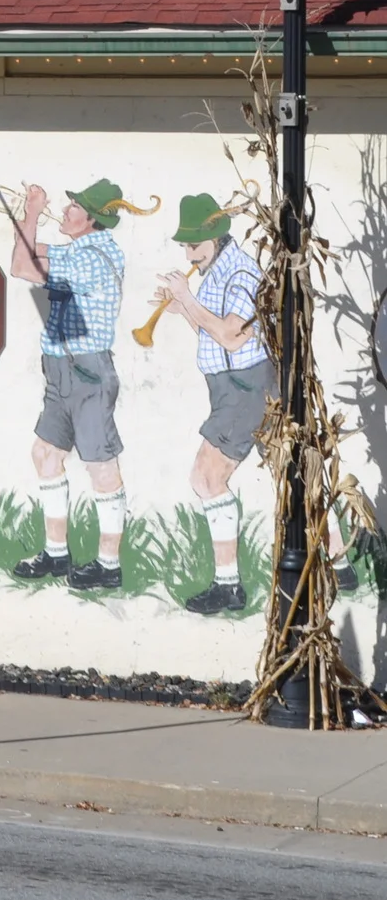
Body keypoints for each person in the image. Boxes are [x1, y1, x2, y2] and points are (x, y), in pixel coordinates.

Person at [10, 178, 148, 590]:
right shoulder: (77, 250)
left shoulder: (93, 257)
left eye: (75, 207)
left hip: (86, 372)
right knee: (45, 454)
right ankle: (56, 553)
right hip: (61, 369)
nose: (66, 210)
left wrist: (33, 213)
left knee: (100, 465)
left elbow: (21, 266)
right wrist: (27, 218)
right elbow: (24, 252)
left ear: (92, 220)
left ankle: (109, 565)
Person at [155, 194, 275, 614]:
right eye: (186, 246)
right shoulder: (218, 271)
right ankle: (341, 565)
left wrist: (188, 299)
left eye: (195, 245)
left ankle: (229, 586)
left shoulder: (240, 273)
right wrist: (182, 310)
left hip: (244, 390)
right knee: (291, 474)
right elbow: (213, 335)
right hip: (230, 388)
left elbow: (232, 336)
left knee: (206, 477)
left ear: (217, 237)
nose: (189, 255)